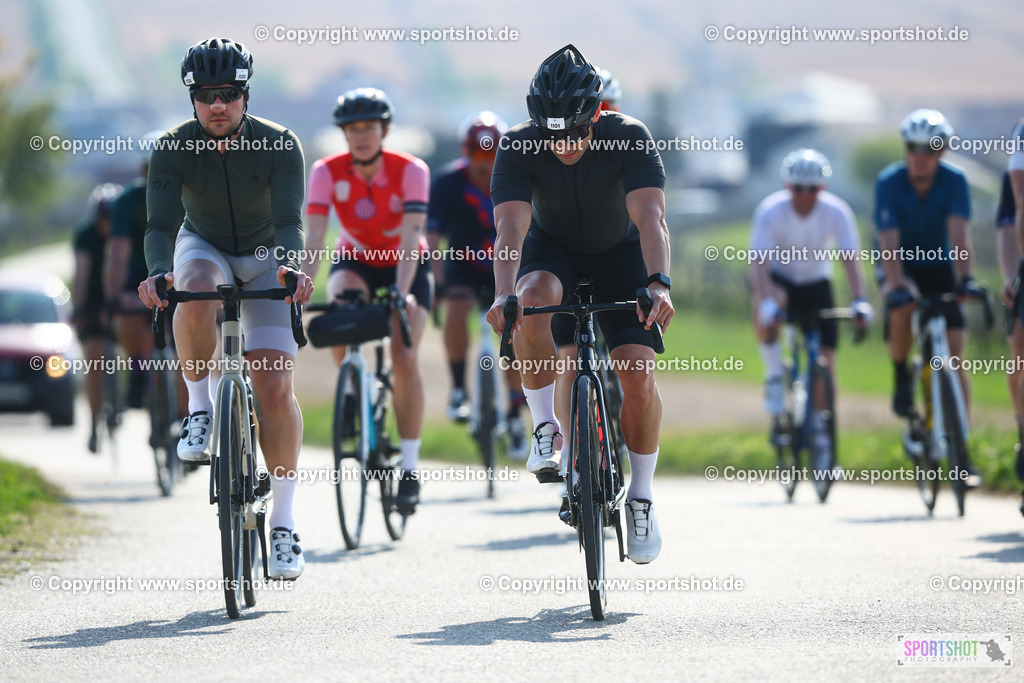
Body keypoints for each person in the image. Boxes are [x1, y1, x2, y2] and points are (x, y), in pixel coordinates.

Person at [486, 44, 673, 564]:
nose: (564, 143)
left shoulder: (629, 136)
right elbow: (510, 227)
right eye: (553, 133)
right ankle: (545, 424)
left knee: (636, 373)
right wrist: (504, 292)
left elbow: (651, 219)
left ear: (597, 113)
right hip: (555, 252)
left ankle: (640, 496)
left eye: (575, 130)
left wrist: (658, 282)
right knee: (529, 299)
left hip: (622, 255)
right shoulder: (519, 145)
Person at [138, 37, 314, 580]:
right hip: (204, 246)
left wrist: (288, 266)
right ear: (193, 99)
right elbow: (161, 227)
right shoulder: (171, 147)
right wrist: (155, 273)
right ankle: (199, 409)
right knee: (190, 287)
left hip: (266, 256)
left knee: (275, 387)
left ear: (245, 95)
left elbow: (289, 221)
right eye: (207, 95)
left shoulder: (281, 145)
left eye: (230, 94)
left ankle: (282, 523)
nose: (218, 105)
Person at [302, 88, 432, 514]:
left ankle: (409, 469)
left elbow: (412, 233)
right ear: (343, 133)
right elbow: (317, 236)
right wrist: (303, 283)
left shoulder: (411, 170)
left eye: (369, 128)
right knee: (340, 310)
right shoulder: (326, 171)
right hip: (355, 258)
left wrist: (403, 289)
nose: (360, 136)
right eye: (352, 129)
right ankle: (355, 386)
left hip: (405, 262)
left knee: (405, 351)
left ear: (385, 130)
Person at [875, 108, 982, 487]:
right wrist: (897, 286)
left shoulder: (955, 181)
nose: (920, 154)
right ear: (906, 149)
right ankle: (902, 375)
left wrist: (966, 279)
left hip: (939, 264)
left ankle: (962, 452)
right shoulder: (889, 181)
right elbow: (887, 243)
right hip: (898, 262)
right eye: (913, 147)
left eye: (930, 147)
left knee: (954, 357)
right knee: (901, 305)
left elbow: (959, 236)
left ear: (942, 150)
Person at [749, 149, 872, 464]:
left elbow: (850, 262)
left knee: (827, 362)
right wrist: (764, 303)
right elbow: (759, 264)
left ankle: (820, 430)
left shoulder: (837, 212)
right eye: (798, 188)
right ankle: (775, 376)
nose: (804, 196)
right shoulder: (771, 210)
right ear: (787, 186)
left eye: (812, 189)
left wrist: (860, 300)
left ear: (823, 189)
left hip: (817, 285)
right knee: (770, 304)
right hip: (781, 280)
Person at [427, 111, 527, 458]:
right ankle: (458, 390)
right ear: (465, 152)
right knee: (456, 306)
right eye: (477, 154)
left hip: (505, 266)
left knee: (513, 327)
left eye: (491, 154)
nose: (484, 163)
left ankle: (515, 413)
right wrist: (437, 283)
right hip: (463, 268)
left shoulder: (514, 181)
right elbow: (433, 236)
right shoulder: (447, 183)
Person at [551, 65, 623, 463]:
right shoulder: (558, 146)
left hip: (615, 254)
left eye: (607, 107)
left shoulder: (626, 142)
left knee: (631, 356)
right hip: (565, 259)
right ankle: (568, 453)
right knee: (567, 355)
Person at [105, 132, 176, 409]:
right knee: (128, 312)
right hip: (139, 273)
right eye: (150, 169)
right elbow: (118, 252)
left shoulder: (189, 194)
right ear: (142, 170)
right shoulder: (128, 201)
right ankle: (138, 370)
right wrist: (114, 297)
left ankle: (187, 411)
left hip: (182, 269)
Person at [73, 183, 122, 453]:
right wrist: (80, 309)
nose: (107, 225)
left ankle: (139, 381)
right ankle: (93, 422)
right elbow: (81, 272)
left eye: (111, 220)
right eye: (103, 220)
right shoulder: (86, 235)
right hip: (93, 300)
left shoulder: (126, 230)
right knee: (94, 358)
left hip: (122, 297)